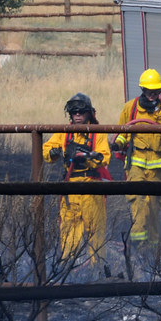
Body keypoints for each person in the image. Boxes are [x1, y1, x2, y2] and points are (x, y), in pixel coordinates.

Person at [112, 68, 161, 252]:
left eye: (156, 91)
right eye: (150, 91)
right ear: (143, 89)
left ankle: (155, 248)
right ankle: (138, 246)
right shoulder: (131, 108)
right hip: (136, 163)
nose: (153, 94)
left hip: (158, 164)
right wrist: (118, 143)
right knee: (138, 203)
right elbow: (122, 132)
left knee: (154, 206)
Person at [42, 92, 111, 264]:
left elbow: (104, 156)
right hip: (70, 188)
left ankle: (98, 270)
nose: (77, 115)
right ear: (70, 114)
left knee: (96, 232)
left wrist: (88, 157)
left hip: (91, 188)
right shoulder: (64, 133)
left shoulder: (97, 132)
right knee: (68, 232)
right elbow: (46, 150)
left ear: (89, 113)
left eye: (81, 112)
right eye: (74, 112)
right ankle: (67, 270)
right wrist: (52, 152)